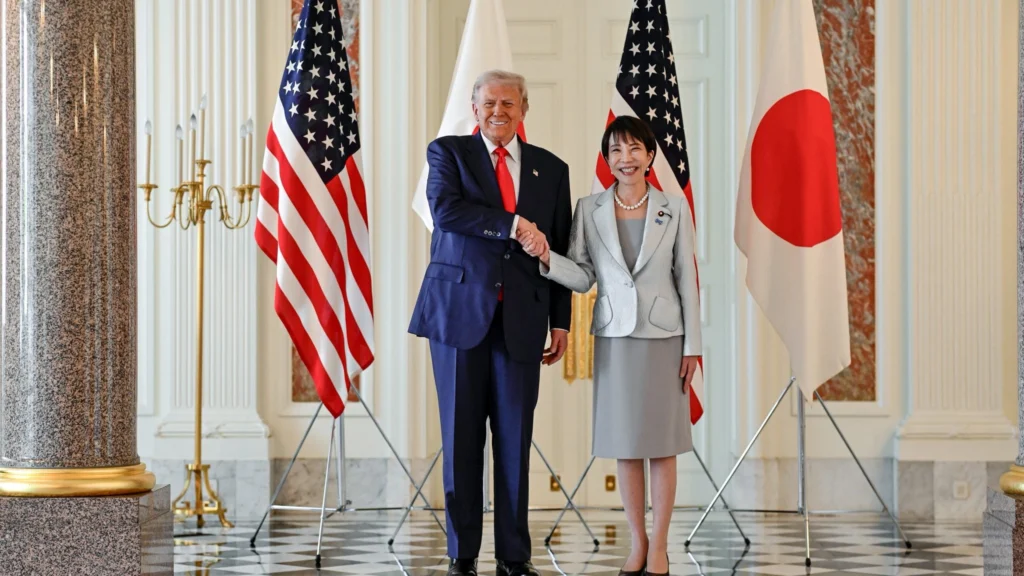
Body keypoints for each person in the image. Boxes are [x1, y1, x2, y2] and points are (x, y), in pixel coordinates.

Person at [519, 116, 701, 576]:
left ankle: (660, 547)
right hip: (616, 340)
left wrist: (693, 346)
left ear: (650, 155)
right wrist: (547, 256)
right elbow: (583, 276)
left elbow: (687, 278)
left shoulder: (674, 207)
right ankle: (637, 544)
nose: (625, 158)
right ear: (606, 158)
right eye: (616, 150)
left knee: (662, 445)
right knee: (626, 444)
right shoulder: (589, 209)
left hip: (665, 339)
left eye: (634, 148)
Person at [408, 69, 573, 576]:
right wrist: (514, 225)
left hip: (522, 320)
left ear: (524, 110)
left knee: (514, 442)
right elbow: (446, 211)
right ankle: (462, 556)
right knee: (461, 440)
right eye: (489, 104)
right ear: (474, 109)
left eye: (508, 103)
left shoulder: (552, 169)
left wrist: (561, 321)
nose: (498, 111)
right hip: (459, 316)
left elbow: (559, 248)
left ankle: (514, 557)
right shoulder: (448, 153)